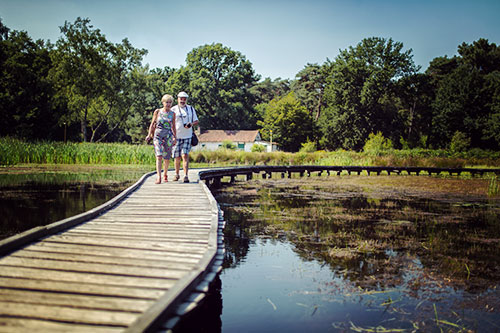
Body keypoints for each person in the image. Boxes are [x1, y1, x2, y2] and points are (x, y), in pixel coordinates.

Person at [145, 94, 177, 184]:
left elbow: (173, 126)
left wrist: (175, 137)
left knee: (167, 157)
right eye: (166, 102)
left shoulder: (172, 114)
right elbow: (152, 123)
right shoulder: (157, 111)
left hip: (168, 136)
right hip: (158, 136)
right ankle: (158, 176)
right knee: (159, 156)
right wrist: (149, 134)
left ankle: (165, 174)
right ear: (163, 102)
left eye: (170, 102)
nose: (168, 104)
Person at [171, 91, 199, 183]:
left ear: (186, 100)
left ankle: (186, 176)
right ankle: (176, 174)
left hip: (187, 135)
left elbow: (196, 121)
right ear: (178, 99)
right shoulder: (173, 109)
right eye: (181, 99)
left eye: (184, 99)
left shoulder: (191, 109)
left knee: (185, 155)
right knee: (177, 157)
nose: (182, 101)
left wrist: (191, 124)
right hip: (176, 136)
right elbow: (169, 122)